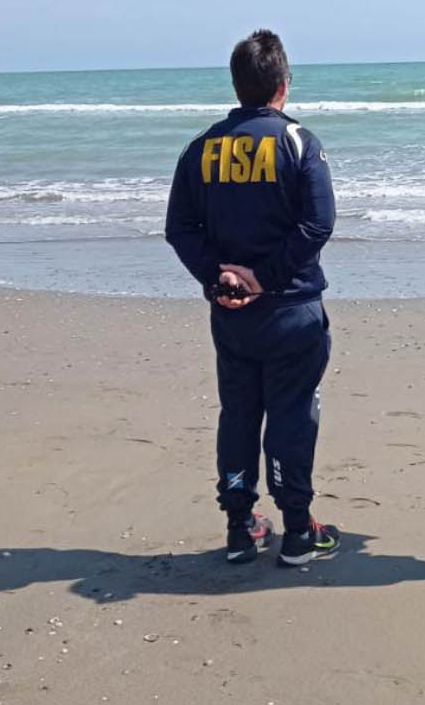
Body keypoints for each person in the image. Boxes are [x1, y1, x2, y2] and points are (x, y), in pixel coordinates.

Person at [165, 29, 340, 567]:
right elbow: (318, 224)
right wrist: (261, 278)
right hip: (290, 311)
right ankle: (297, 531)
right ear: (283, 84)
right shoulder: (298, 142)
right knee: (292, 414)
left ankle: (240, 527)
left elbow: (179, 229)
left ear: (237, 85)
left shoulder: (201, 148)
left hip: (234, 317)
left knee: (239, 413)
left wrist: (221, 280)